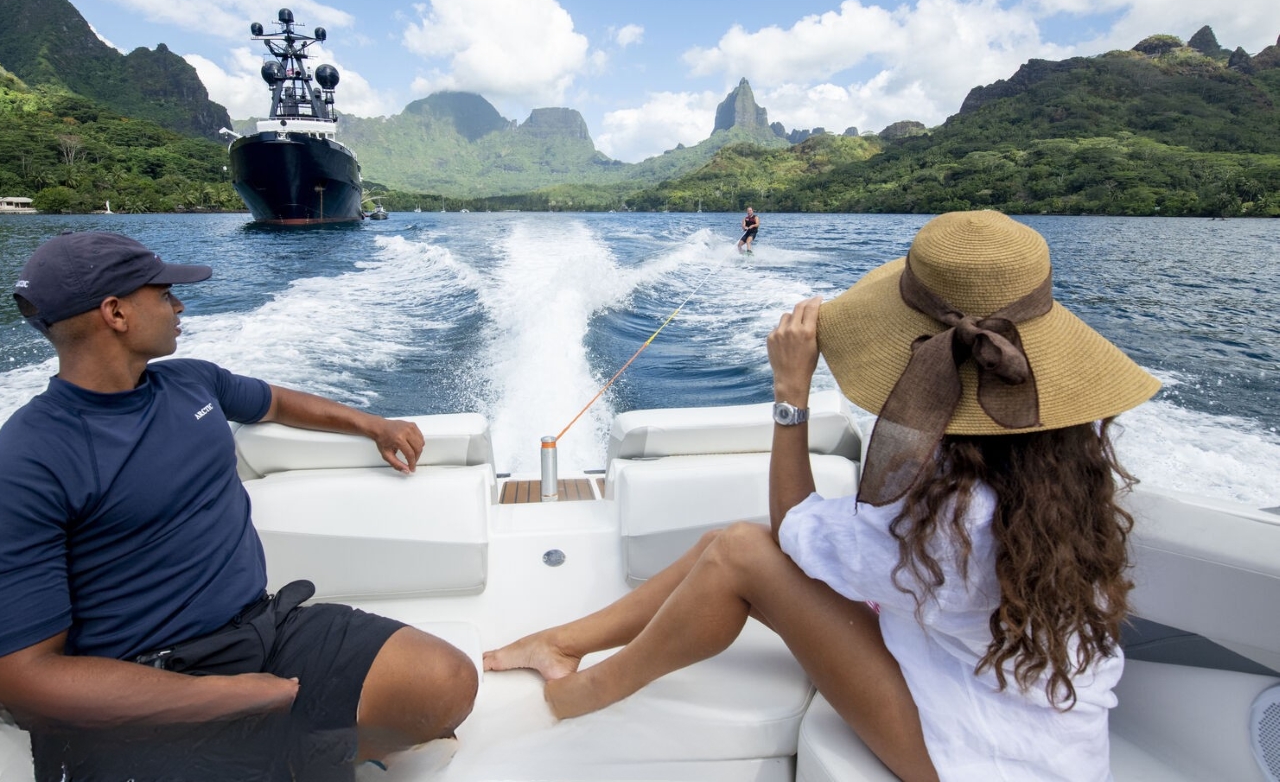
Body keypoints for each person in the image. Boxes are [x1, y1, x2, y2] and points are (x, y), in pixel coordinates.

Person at [484, 210, 1159, 781]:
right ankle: (561, 642)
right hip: (1046, 729)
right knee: (730, 543)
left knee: (741, 551)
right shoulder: (1059, 460)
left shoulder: (958, 511)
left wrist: (791, 394)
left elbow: (793, 529)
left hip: (978, 753)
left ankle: (586, 690)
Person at [0, 232, 477, 782]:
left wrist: (372, 424)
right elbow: (19, 679)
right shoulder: (21, 470)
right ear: (116, 313)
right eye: (164, 294)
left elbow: (275, 402)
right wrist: (228, 695)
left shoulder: (192, 382)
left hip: (263, 629)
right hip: (144, 683)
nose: (179, 306)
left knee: (443, 682)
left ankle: (290, 755)